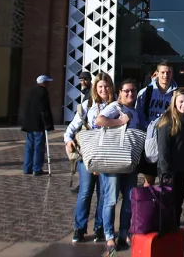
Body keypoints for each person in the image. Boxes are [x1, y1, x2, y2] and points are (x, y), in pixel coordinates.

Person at [64, 74, 117, 245]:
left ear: (111, 87)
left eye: (106, 86)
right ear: (95, 88)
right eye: (100, 86)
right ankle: (79, 228)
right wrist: (68, 140)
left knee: (104, 194)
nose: (103, 90)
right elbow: (70, 129)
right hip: (87, 157)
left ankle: (99, 228)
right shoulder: (87, 106)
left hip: (106, 158)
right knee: (85, 193)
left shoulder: (116, 107)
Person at [109, 79, 146, 247]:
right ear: (120, 93)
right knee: (111, 199)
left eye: (133, 91)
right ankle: (109, 235)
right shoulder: (114, 107)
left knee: (129, 199)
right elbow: (99, 121)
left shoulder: (136, 111)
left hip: (130, 161)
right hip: (114, 160)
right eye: (126, 91)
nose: (130, 94)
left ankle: (124, 232)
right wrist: (120, 122)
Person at [156, 92, 184, 236]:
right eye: (181, 102)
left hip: (183, 169)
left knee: (178, 203)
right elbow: (163, 149)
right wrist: (166, 172)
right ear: (174, 102)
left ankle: (175, 228)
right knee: (168, 204)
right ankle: (166, 231)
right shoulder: (167, 121)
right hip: (170, 171)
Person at [137, 62, 178, 185]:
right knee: (149, 181)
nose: (166, 75)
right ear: (157, 73)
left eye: (169, 72)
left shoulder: (176, 94)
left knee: (167, 182)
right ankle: (148, 204)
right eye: (163, 72)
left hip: (170, 141)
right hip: (150, 141)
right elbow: (139, 115)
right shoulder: (146, 92)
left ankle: (164, 205)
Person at [19, 74, 53, 175]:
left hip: (29, 124)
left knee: (29, 146)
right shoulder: (43, 92)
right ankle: (37, 168)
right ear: (44, 83)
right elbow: (44, 109)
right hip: (38, 124)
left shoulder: (31, 91)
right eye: (47, 82)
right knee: (39, 147)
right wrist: (47, 123)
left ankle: (27, 168)